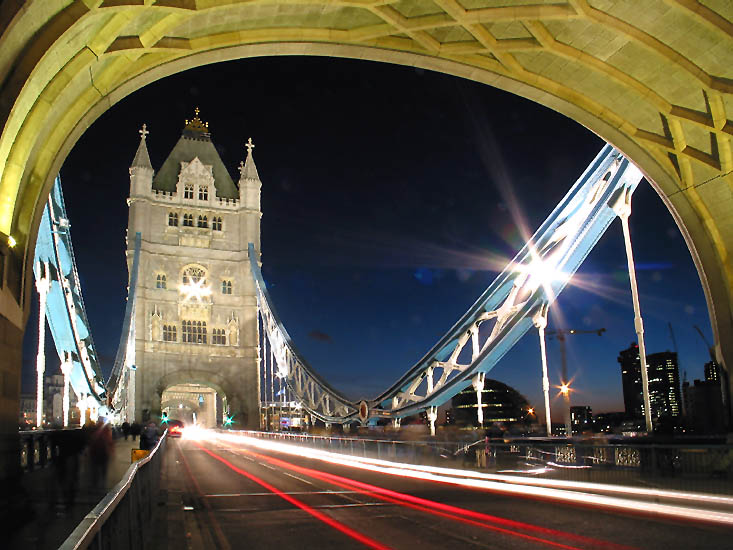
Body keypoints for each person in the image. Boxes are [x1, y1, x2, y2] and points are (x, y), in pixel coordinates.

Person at [87, 418, 114, 492]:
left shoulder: (94, 429)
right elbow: (109, 441)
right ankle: (102, 484)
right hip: (104, 452)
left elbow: (90, 441)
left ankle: (94, 484)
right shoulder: (106, 430)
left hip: (94, 452)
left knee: (94, 469)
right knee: (103, 469)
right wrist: (111, 450)